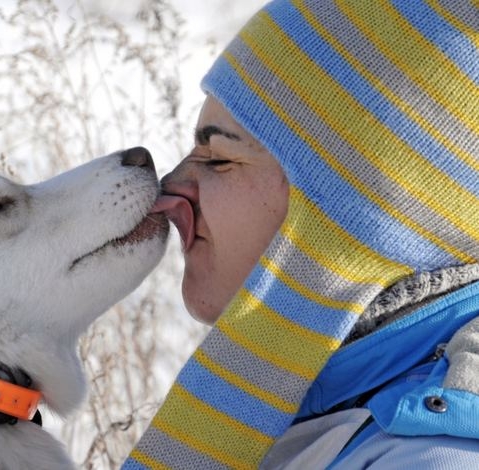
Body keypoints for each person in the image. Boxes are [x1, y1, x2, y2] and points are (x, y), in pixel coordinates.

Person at [126, 0, 479, 468]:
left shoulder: (430, 458)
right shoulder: (329, 406)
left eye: (218, 159)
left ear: (359, 210)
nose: (167, 192)